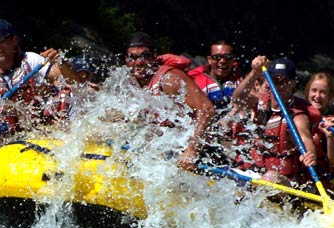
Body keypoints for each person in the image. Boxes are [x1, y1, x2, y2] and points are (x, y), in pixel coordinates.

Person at [0, 19, 81, 144]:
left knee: (64, 95)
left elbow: (74, 83)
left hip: (33, 132)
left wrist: (60, 63)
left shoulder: (31, 61)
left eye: (1, 39)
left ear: (14, 41)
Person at [125, 32, 216, 171]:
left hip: (187, 151)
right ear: (126, 59)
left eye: (145, 56)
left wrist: (192, 149)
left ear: (155, 56)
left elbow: (207, 109)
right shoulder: (128, 82)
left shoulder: (170, 79)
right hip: (158, 151)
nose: (138, 62)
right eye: (133, 57)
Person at [235, 57, 321, 187]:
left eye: (285, 81)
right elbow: (237, 99)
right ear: (269, 82)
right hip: (254, 173)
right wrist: (254, 72)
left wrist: (310, 154)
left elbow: (305, 140)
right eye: (275, 80)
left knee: (270, 177)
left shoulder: (296, 116)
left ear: (293, 83)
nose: (280, 85)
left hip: (284, 181)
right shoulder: (261, 102)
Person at [187, 40, 243, 114]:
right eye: (216, 57)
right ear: (209, 60)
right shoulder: (195, 81)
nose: (222, 61)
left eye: (228, 57)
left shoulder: (239, 77)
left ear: (233, 59)